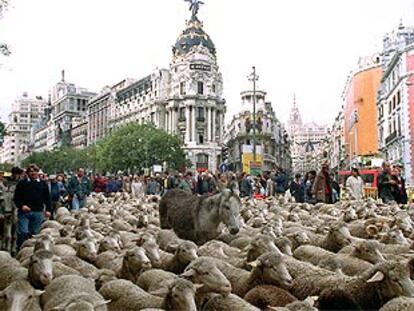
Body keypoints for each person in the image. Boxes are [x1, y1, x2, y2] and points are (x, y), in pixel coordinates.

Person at [13, 164, 51, 250]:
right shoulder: (22, 183)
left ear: (38, 172)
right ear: (27, 173)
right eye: (31, 171)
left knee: (35, 234)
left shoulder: (43, 184)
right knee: (23, 232)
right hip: (24, 212)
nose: (33, 173)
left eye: (35, 171)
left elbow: (47, 198)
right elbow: (16, 197)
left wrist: (48, 209)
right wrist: (22, 205)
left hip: (38, 212)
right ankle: (21, 250)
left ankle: (33, 250)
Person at [1, 167, 23, 254]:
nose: (18, 176)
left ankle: (14, 247)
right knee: (7, 230)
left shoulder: (21, 183)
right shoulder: (5, 183)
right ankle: (6, 246)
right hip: (7, 207)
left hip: (17, 208)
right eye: (17, 174)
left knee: (16, 230)